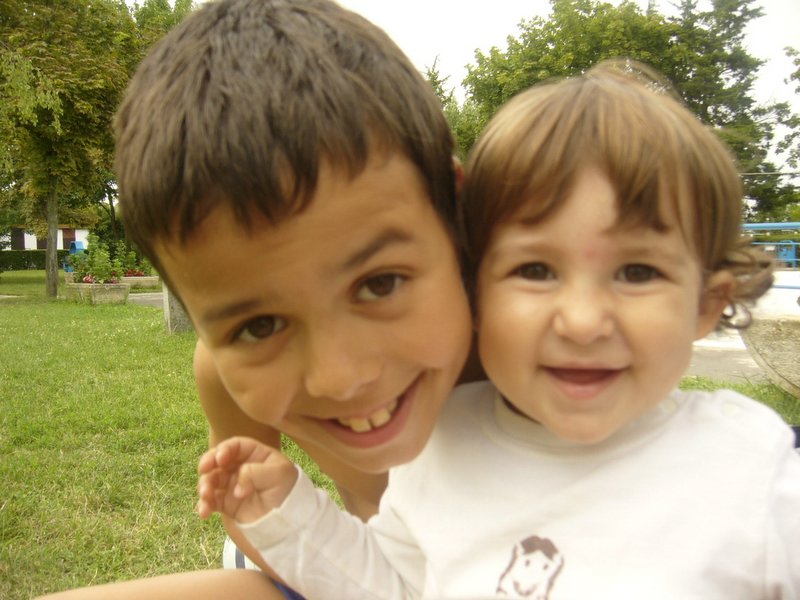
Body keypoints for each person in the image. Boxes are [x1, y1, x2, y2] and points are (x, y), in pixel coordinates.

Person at [196, 61, 800, 599]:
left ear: (706, 303)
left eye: (637, 272)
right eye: (535, 270)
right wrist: (289, 515)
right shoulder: (444, 448)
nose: (583, 321)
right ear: (474, 290)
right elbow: (393, 587)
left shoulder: (752, 472)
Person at [36, 0, 474, 598]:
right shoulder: (219, 371)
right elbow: (246, 506)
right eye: (259, 326)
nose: (340, 376)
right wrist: (296, 542)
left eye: (380, 283)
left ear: (455, 214)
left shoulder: (539, 341)